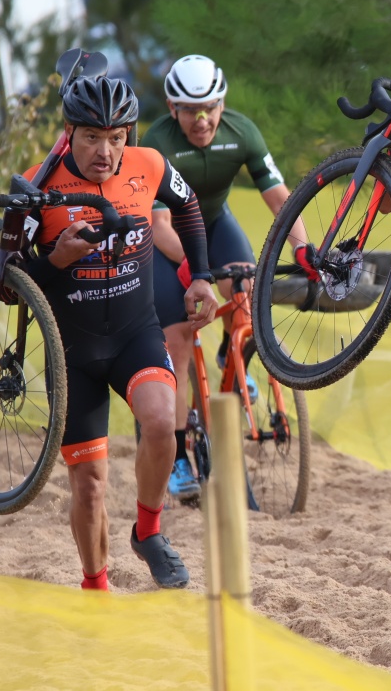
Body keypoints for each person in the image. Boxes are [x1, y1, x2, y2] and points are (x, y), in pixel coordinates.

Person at [23, 75, 218, 590]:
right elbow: (7, 288)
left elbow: (189, 207)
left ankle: (148, 533)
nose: (105, 151)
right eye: (91, 137)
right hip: (74, 352)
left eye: (116, 137)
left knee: (160, 425)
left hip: (136, 332)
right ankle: (96, 584)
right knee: (88, 487)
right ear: (68, 133)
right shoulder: (37, 185)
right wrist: (58, 256)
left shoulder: (149, 163)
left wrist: (199, 275)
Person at [140, 54, 305, 500]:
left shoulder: (241, 132)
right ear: (174, 109)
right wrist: (200, 270)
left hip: (214, 224)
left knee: (246, 294)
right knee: (175, 340)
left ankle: (227, 359)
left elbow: (281, 201)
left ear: (222, 102)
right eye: (191, 110)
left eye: (211, 107)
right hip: (167, 238)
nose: (202, 118)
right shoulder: (157, 143)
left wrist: (303, 249)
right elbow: (158, 228)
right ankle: (177, 458)